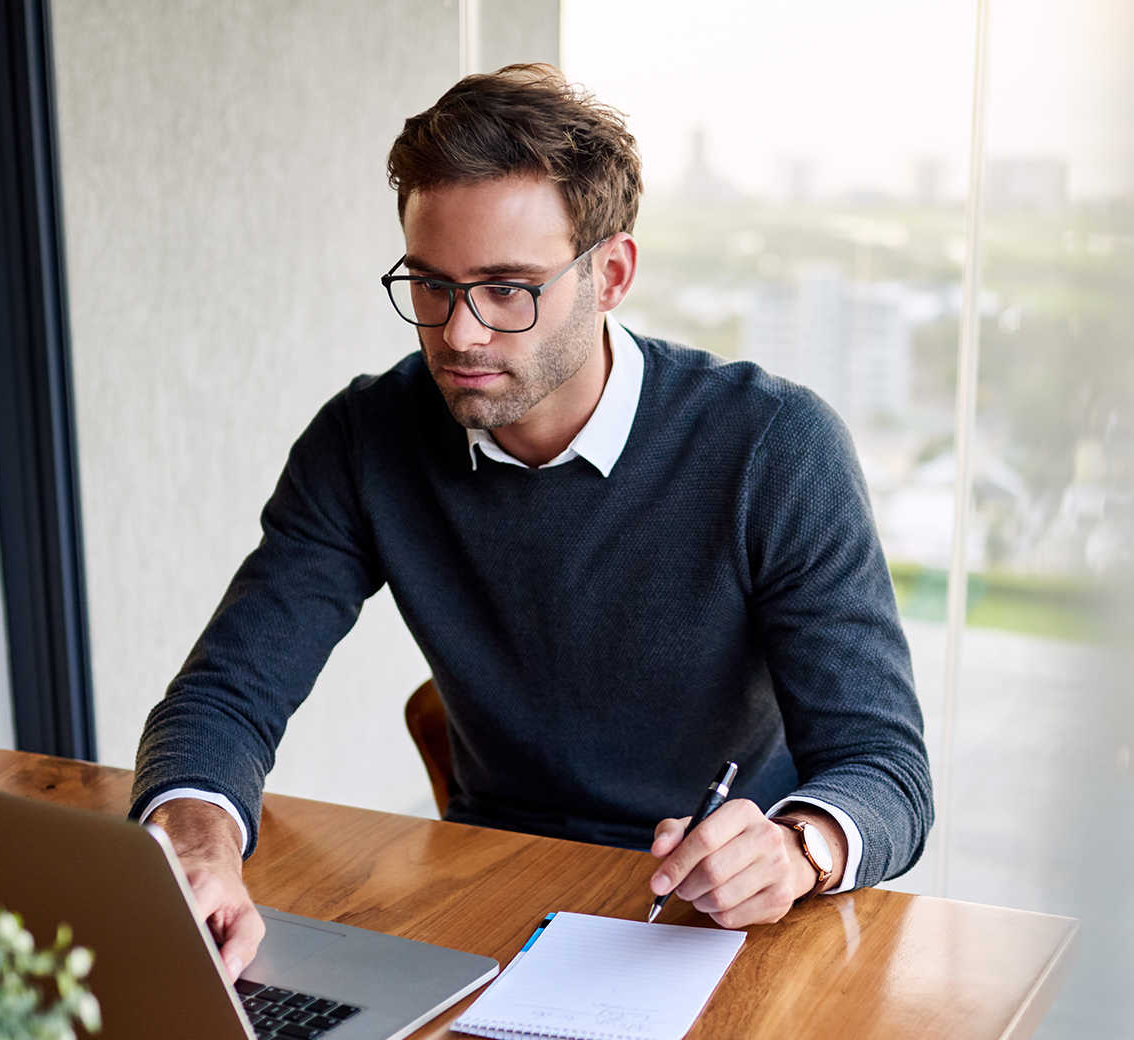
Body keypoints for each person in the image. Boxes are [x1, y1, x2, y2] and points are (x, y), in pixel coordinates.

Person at [130, 64, 933, 979]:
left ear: (612, 274)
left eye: (507, 288)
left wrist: (797, 850)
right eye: (430, 285)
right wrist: (194, 846)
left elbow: (886, 769)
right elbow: (226, 694)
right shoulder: (365, 439)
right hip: (495, 896)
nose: (459, 334)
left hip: (728, 922)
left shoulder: (774, 447)